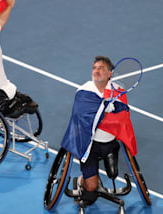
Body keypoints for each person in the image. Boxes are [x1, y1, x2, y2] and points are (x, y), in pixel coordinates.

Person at [61, 56, 137, 206]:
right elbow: (81, 115)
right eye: (94, 68)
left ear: (110, 73)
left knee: (113, 174)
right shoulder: (83, 91)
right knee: (91, 192)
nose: (96, 71)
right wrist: (105, 109)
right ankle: (81, 181)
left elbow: (122, 117)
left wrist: (105, 114)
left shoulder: (118, 91)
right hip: (88, 146)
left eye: (101, 68)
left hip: (110, 144)